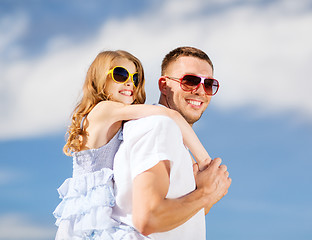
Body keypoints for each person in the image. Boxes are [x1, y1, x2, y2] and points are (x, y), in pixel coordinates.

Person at [53, 49, 213, 239]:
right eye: (120, 75)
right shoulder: (103, 110)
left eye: (136, 78)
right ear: (100, 78)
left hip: (101, 212)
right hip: (88, 215)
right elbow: (171, 115)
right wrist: (205, 162)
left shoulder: (123, 122)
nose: (130, 82)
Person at [112, 46, 232, 239]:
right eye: (190, 81)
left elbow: (172, 223)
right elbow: (148, 219)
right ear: (164, 86)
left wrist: (205, 200)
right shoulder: (159, 126)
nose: (200, 91)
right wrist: (206, 192)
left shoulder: (171, 135)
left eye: (209, 84)